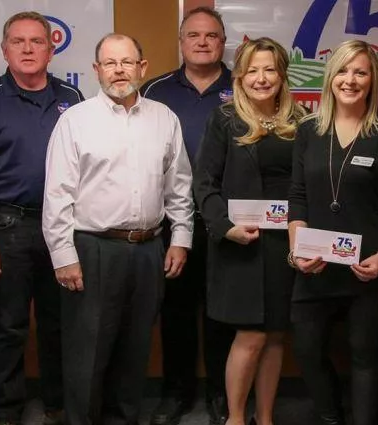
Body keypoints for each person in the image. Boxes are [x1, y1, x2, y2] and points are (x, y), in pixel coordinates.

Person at [42, 33, 194, 425]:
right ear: (96, 70)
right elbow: (57, 194)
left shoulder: (164, 118)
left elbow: (178, 186)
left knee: (135, 348)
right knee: (88, 351)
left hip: (149, 250)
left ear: (142, 68)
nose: (119, 70)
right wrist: (63, 256)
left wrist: (180, 238)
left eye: (127, 62)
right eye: (110, 63)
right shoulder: (75, 121)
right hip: (93, 249)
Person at [0, 11, 83, 425]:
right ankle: (5, 410)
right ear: (4, 50)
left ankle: (60, 405)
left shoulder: (73, 98)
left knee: (61, 322)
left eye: (36, 41)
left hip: (64, 227)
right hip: (10, 226)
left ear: (51, 49)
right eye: (18, 42)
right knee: (9, 326)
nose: (27, 49)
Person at [287, 40, 378, 425]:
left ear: (373, 79)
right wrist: (296, 251)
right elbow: (297, 195)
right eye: (342, 70)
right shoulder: (309, 129)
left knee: (366, 357)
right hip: (315, 266)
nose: (350, 80)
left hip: (370, 266)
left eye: (360, 72)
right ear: (330, 77)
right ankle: (330, 417)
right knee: (307, 350)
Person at [193, 37, 305, 425]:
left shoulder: (302, 122)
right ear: (240, 76)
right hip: (240, 244)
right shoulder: (224, 119)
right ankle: (236, 419)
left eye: (269, 69)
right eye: (252, 70)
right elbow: (203, 183)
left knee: (275, 335)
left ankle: (266, 418)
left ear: (282, 75)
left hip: (284, 244)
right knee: (251, 335)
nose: (261, 78)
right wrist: (225, 228)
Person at [140, 7, 236, 425]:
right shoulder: (155, 90)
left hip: (228, 223)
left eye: (211, 35)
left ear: (223, 43)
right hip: (170, 222)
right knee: (176, 311)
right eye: (193, 35)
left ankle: (222, 393)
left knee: (223, 312)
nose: (202, 42)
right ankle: (176, 393)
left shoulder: (243, 85)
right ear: (181, 42)